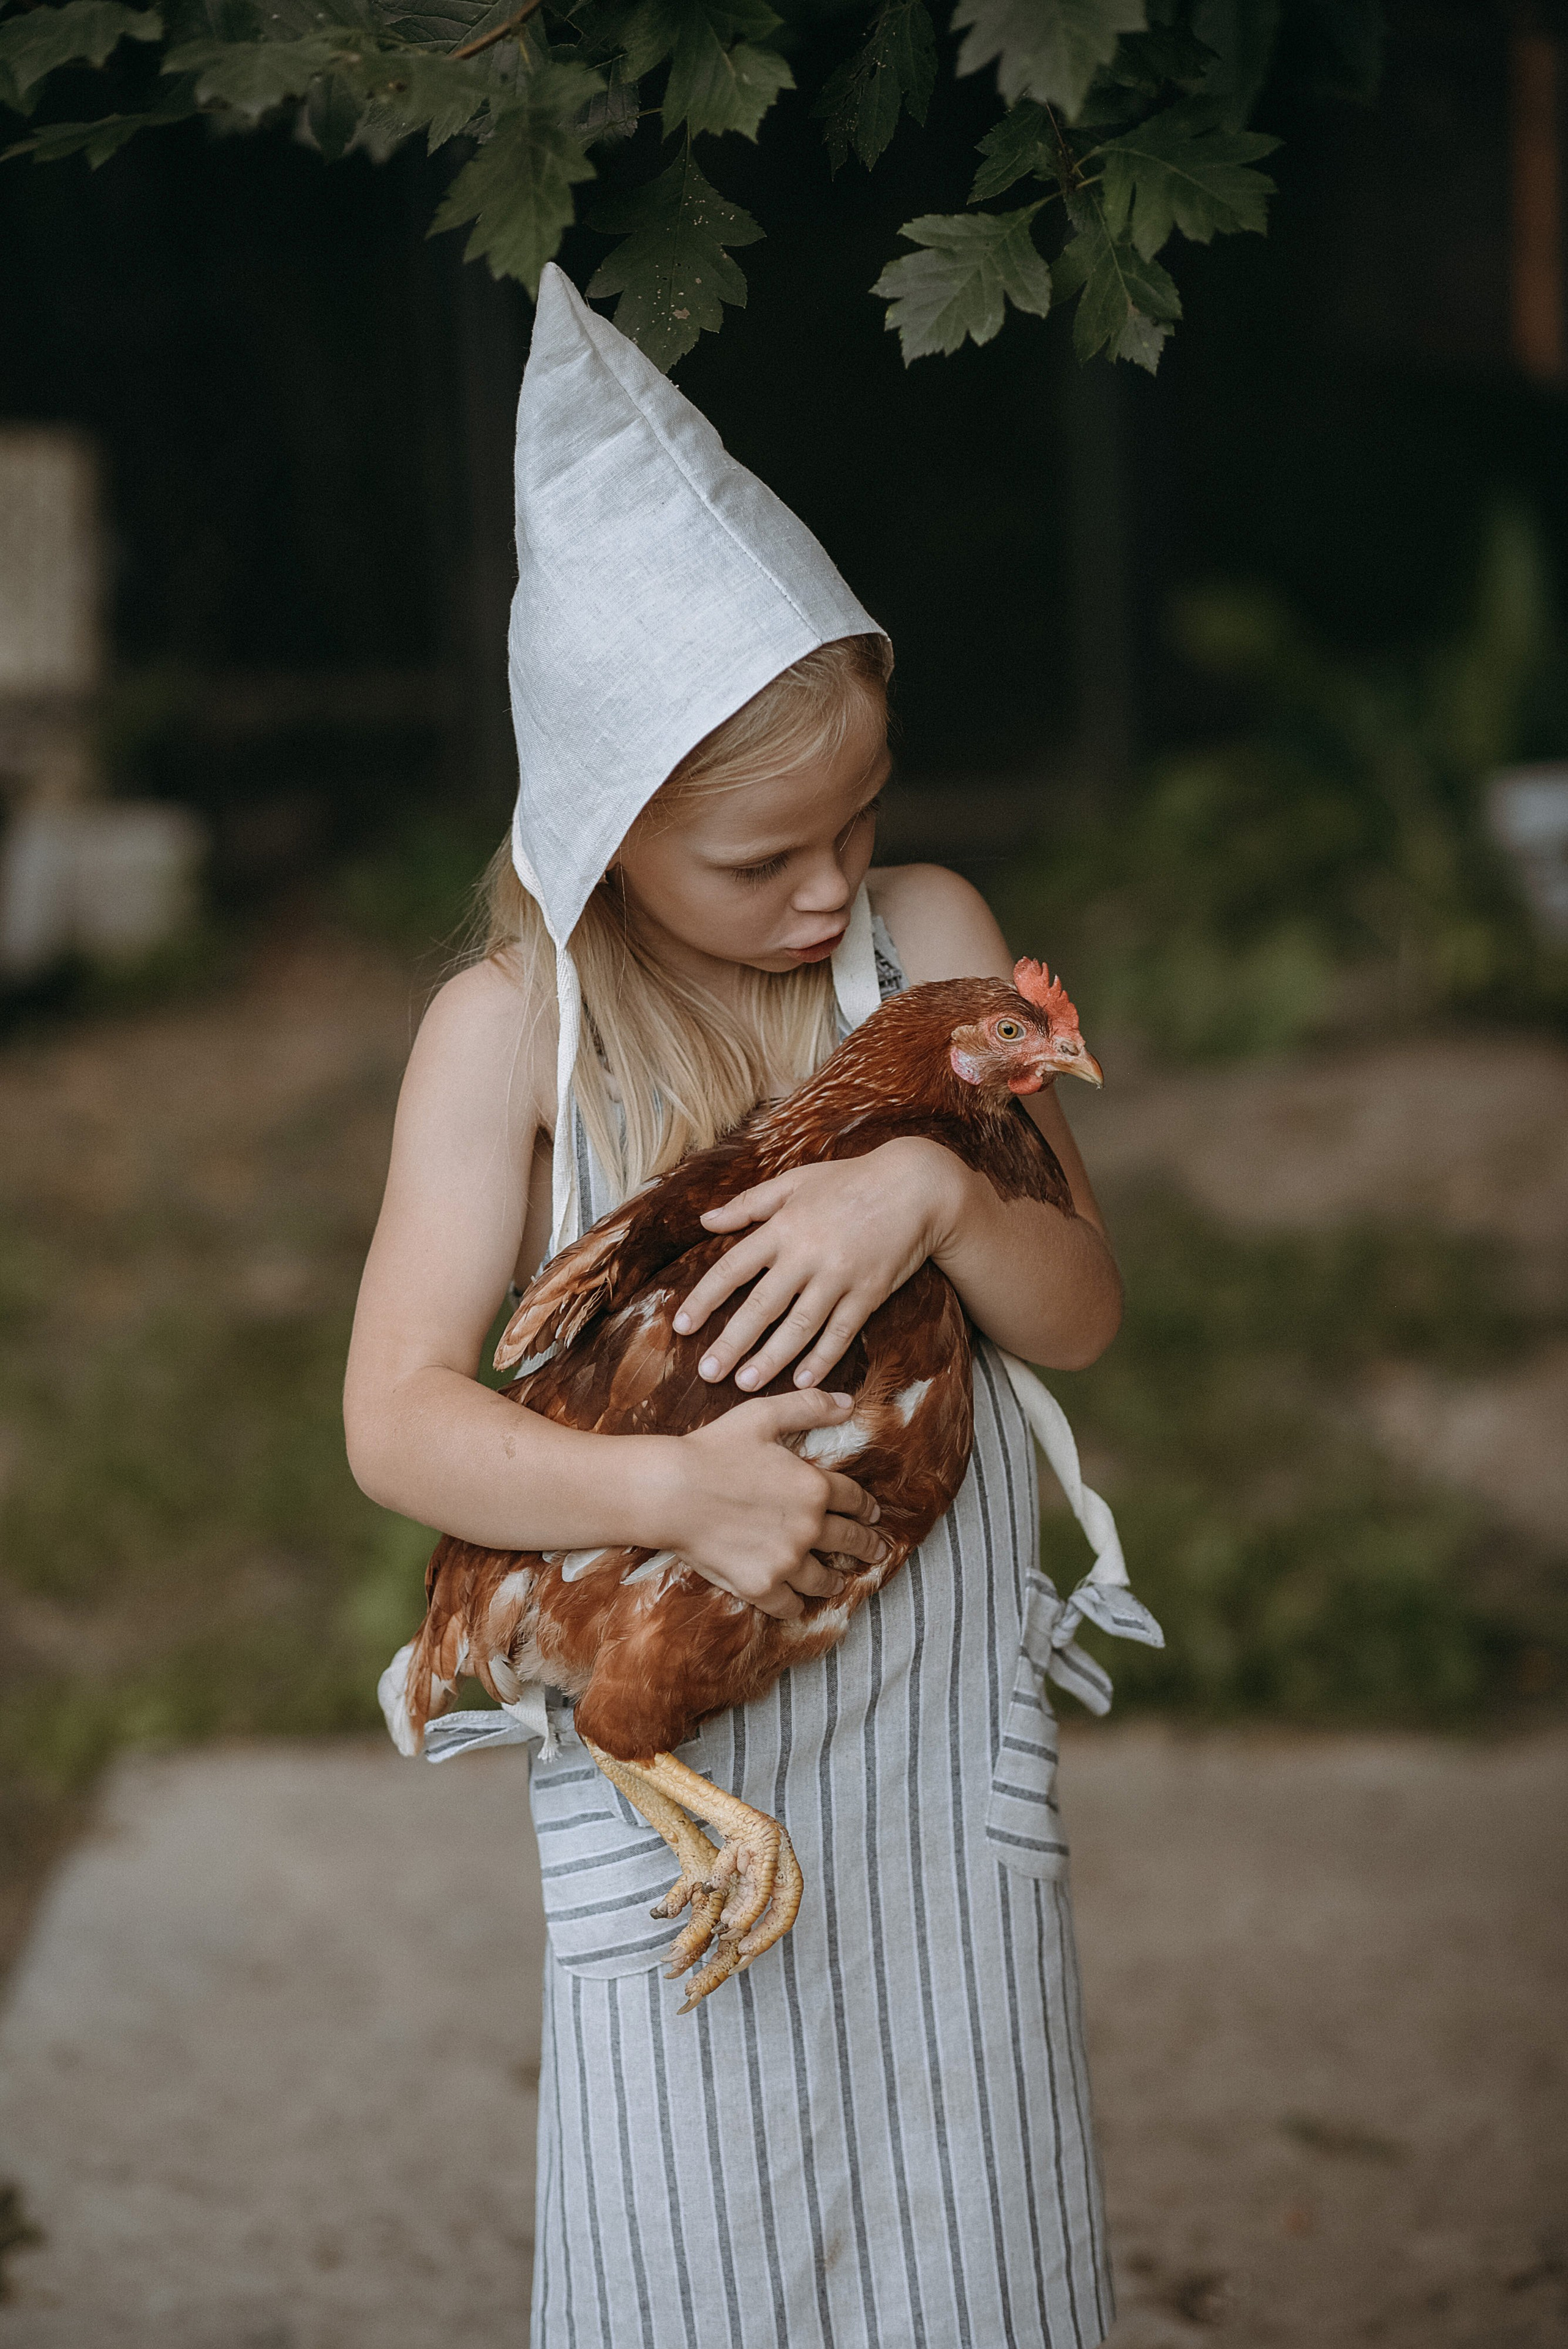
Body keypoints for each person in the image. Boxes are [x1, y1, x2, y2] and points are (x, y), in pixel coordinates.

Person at [345, 265, 1130, 2348]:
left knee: (987, 2272)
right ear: (602, 838)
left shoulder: (925, 950)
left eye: (859, 820)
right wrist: (685, 1493)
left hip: (942, 1817)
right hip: (683, 1805)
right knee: (684, 2280)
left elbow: (1080, 1321)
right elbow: (398, 1418)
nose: (827, 889)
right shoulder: (511, 1038)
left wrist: (929, 1183)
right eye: (764, 857)